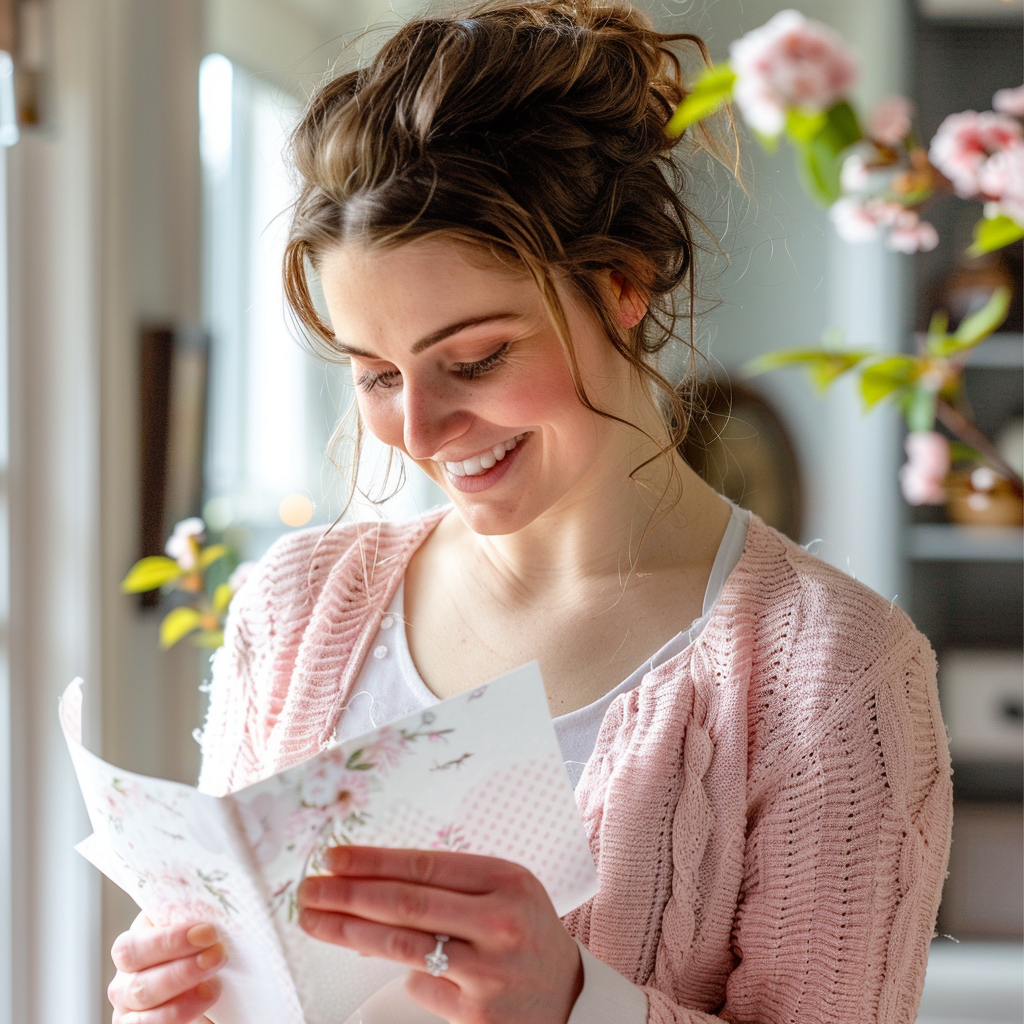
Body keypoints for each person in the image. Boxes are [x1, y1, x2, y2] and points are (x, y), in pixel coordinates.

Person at [105, 3, 954, 1023]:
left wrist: (575, 1004)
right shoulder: (295, 608)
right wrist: (173, 996)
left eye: (474, 359)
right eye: (375, 374)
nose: (418, 429)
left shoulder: (829, 673)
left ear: (619, 284)